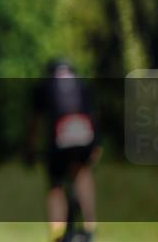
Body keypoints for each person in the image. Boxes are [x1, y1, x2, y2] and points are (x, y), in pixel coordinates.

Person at [27, 59, 101, 242]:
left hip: (59, 140)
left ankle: (57, 232)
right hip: (85, 137)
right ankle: (89, 225)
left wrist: (30, 148)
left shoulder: (45, 87)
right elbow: (93, 115)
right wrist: (97, 146)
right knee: (83, 173)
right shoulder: (81, 84)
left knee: (55, 185)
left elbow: (35, 123)